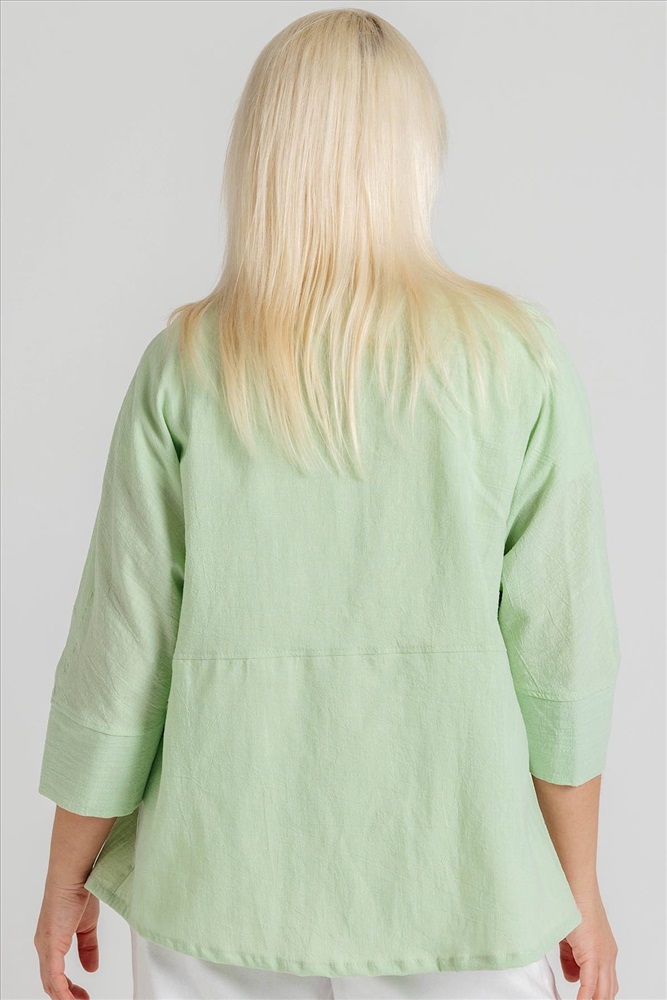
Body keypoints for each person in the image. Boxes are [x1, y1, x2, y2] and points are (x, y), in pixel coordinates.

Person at [33, 8, 621, 1000]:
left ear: (259, 157)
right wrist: (581, 888)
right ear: (414, 156)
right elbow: (562, 657)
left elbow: (119, 655)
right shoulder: (516, 360)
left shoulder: (185, 368)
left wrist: (65, 876)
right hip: (462, 883)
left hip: (218, 887)